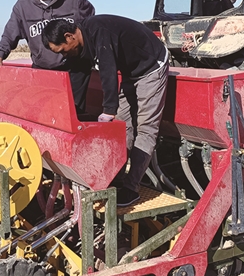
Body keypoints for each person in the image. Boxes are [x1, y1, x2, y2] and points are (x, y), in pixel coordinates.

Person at [42, 15, 169, 207]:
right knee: (121, 126)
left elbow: (108, 69)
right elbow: (78, 75)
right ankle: (114, 178)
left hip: (151, 66)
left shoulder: (99, 31)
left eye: (62, 50)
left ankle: (131, 188)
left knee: (145, 128)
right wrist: (73, 112)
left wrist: (109, 109)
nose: (63, 55)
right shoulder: (80, 44)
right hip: (130, 72)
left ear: (69, 37)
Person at [0, 0, 95, 114]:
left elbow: (90, 27)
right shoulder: (22, 6)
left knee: (72, 112)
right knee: (43, 110)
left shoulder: (74, 0)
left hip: (75, 67)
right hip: (43, 68)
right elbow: (10, 34)